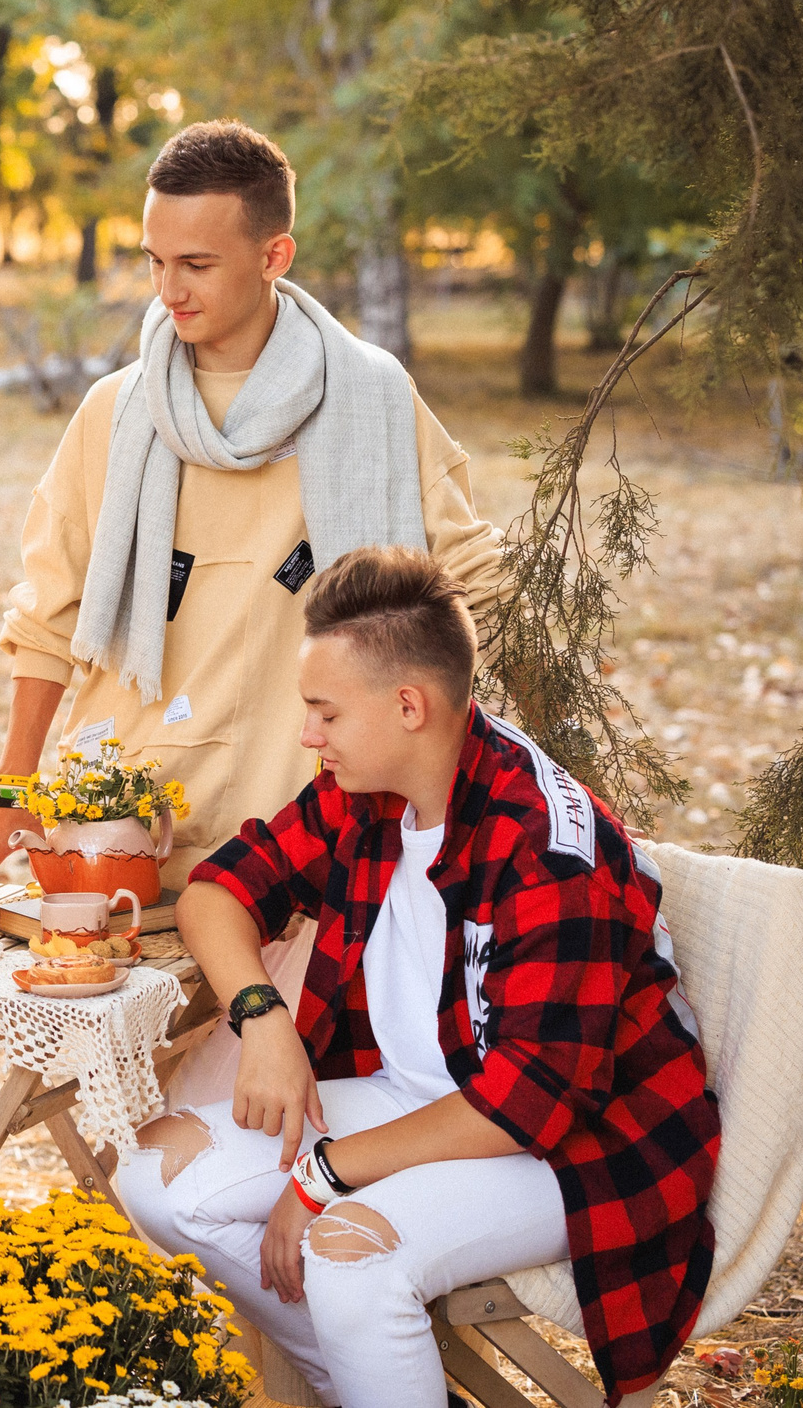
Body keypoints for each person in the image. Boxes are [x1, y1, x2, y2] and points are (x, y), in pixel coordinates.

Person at [111, 546, 718, 1407]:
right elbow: (221, 888)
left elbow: (530, 1103)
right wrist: (263, 1018)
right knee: (155, 1179)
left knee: (351, 1259)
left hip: (575, 1142)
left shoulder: (545, 847)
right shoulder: (373, 784)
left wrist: (323, 1177)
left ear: (408, 705)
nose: (307, 735)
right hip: (419, 1093)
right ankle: (370, 1384)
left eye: (324, 712)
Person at [0, 120, 504, 935]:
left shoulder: (373, 400)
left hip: (305, 829)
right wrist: (12, 790)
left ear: (273, 257)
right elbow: (47, 612)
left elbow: (472, 589)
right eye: (154, 261)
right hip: (122, 831)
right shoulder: (114, 412)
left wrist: (509, 778)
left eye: (196, 265)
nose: (168, 290)